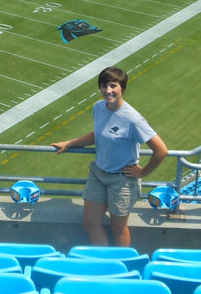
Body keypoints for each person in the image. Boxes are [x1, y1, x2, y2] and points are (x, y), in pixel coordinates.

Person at [51, 66, 168, 246]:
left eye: (113, 86)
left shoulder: (133, 119)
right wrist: (71, 143)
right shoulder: (99, 107)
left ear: (123, 89)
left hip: (122, 181)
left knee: (118, 227)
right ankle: (104, 262)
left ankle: (120, 265)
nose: (108, 90)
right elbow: (98, 133)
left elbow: (161, 150)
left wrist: (143, 172)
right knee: (90, 222)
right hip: (98, 174)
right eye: (104, 86)